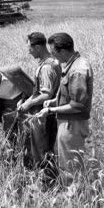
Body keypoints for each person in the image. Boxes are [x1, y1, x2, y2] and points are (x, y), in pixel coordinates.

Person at [37, 33, 93, 180]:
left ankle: (73, 197)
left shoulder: (77, 70)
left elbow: (77, 105)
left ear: (62, 51)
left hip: (72, 125)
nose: (53, 57)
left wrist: (50, 110)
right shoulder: (72, 64)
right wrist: (54, 102)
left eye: (54, 53)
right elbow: (69, 97)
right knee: (67, 161)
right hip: (68, 122)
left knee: (70, 166)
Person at [17, 32, 61, 166]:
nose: (29, 52)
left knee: (42, 150)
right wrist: (26, 99)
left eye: (30, 48)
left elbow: (46, 94)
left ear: (38, 47)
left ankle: (48, 182)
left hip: (45, 115)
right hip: (49, 112)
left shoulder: (47, 67)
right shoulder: (52, 61)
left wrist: (28, 104)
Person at [0, 65, 34, 143]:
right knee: (10, 136)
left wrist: (22, 99)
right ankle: (13, 153)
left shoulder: (11, 74)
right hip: (7, 110)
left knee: (26, 133)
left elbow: (27, 88)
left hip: (24, 105)